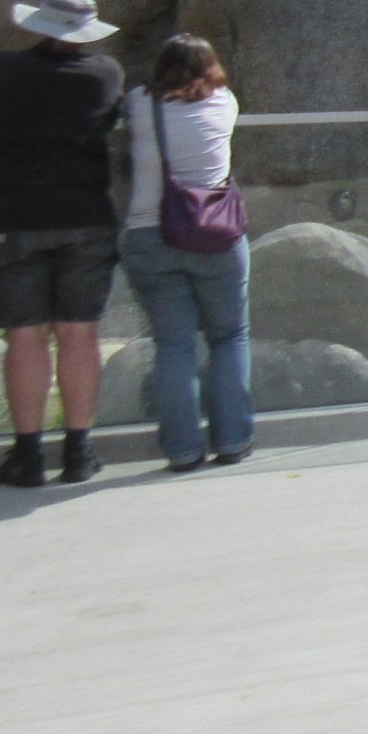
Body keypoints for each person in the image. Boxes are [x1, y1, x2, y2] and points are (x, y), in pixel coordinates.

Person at [0, 0, 125, 485]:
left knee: (25, 338)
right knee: (80, 334)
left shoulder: (3, 69)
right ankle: (79, 452)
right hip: (86, 216)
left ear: (39, 25)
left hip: (14, 218)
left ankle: (27, 456)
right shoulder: (105, 73)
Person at [120, 35, 253, 473]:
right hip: (218, 237)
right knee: (229, 337)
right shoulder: (225, 103)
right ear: (211, 67)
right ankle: (232, 440)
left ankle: (182, 451)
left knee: (173, 345)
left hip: (150, 234)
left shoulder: (140, 103)